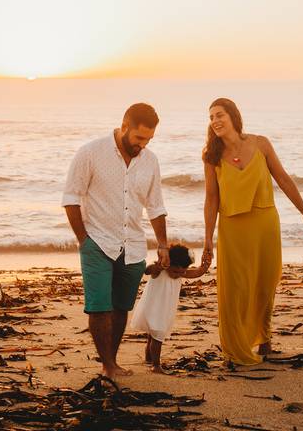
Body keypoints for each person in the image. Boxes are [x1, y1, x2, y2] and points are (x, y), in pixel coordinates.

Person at [202, 98, 303, 365]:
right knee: (236, 289)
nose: (215, 121)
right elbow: (211, 198)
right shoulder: (211, 156)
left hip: (265, 223)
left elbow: (283, 179)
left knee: (265, 283)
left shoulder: (260, 144)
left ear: (233, 116)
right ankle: (236, 348)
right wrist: (208, 239)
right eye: (211, 117)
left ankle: (264, 339)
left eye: (219, 114)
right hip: (232, 229)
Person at [62, 103, 170, 378]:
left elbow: (155, 206)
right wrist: (84, 240)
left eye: (148, 139)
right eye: (138, 138)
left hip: (133, 245)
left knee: (122, 307)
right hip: (97, 242)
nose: (142, 145)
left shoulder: (150, 161)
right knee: (99, 306)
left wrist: (162, 244)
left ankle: (113, 361)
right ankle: (107, 364)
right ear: (124, 126)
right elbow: (71, 198)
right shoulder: (90, 153)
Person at [130, 243, 212, 374]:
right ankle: (156, 365)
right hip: (155, 308)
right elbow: (147, 270)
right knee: (157, 336)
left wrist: (205, 266)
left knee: (153, 335)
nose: (178, 275)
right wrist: (159, 264)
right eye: (175, 271)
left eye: (182, 272)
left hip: (165, 309)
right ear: (168, 264)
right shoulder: (160, 271)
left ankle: (149, 359)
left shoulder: (180, 272)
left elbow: (197, 273)